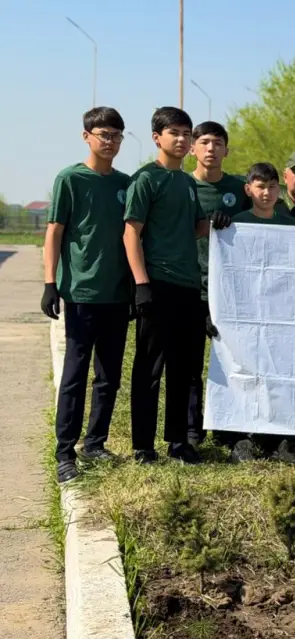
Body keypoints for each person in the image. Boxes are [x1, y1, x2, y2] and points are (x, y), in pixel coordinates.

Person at [123, 106, 225, 464]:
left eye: (186, 134)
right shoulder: (145, 179)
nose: (182, 140)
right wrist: (141, 285)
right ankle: (143, 446)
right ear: (157, 137)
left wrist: (214, 221)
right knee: (150, 368)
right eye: (174, 133)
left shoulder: (186, 182)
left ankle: (179, 441)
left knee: (184, 368)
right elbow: (131, 233)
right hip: (157, 284)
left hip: (188, 287)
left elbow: (194, 228)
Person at [42, 107, 132, 483]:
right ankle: (65, 452)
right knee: (75, 376)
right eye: (102, 134)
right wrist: (51, 283)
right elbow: (55, 231)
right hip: (81, 292)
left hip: (118, 293)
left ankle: (95, 442)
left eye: (115, 135)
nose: (109, 141)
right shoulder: (70, 179)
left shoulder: (126, 184)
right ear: (86, 137)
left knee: (109, 376)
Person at [188, 121, 250, 448]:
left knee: (230, 362)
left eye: (218, 143)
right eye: (205, 142)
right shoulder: (182, 186)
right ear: (193, 148)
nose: (211, 149)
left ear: (227, 149)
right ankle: (192, 431)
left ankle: (230, 430)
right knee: (189, 364)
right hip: (190, 286)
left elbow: (268, 215)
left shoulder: (241, 189)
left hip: (231, 293)